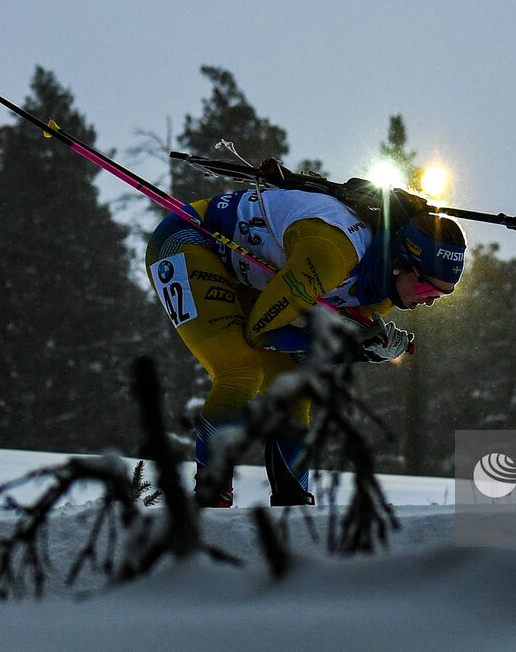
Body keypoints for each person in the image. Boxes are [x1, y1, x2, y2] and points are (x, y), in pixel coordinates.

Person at [144, 181, 466, 507]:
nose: (429, 303)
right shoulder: (330, 255)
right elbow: (262, 333)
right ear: (401, 262)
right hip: (189, 240)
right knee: (241, 370)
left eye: (441, 296)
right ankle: (211, 495)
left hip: (245, 272)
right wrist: (356, 349)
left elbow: (313, 352)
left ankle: (292, 501)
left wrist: (364, 351)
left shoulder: (380, 294)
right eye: (428, 291)